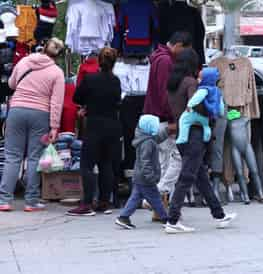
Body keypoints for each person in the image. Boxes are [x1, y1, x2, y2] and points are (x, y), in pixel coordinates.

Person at [165, 48, 237, 234]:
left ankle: (219, 215)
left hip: (183, 133)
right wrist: (213, 110)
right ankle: (172, 220)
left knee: (201, 177)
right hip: (194, 135)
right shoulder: (190, 83)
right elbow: (197, 106)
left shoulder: (173, 83)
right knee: (187, 176)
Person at [0, 38, 65, 212]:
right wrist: (54, 126)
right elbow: (56, 102)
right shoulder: (57, 72)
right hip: (40, 115)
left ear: (43, 48)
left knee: (12, 156)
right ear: (58, 55)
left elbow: (12, 84)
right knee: (34, 158)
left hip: (17, 110)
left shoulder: (25, 61)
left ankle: (4, 200)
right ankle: (31, 201)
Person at [67, 47, 122, 216]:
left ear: (99, 61)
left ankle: (87, 203)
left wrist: (87, 105)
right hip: (112, 125)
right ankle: (104, 201)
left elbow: (77, 97)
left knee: (87, 164)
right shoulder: (116, 81)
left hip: (94, 125)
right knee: (106, 163)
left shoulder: (90, 79)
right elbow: (117, 101)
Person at [143, 32, 193, 202]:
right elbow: (166, 95)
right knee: (170, 162)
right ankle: (158, 200)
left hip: (156, 116)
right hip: (163, 118)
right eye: (184, 50)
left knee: (164, 162)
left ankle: (160, 208)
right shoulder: (165, 61)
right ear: (178, 45)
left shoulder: (159, 57)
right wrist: (173, 120)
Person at [115, 115, 169, 229]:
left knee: (135, 198)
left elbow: (158, 138)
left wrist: (167, 131)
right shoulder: (148, 142)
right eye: (156, 125)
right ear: (151, 127)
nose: (158, 127)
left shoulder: (145, 138)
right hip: (146, 178)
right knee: (155, 199)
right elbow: (145, 161)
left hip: (139, 176)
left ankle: (123, 217)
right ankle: (166, 219)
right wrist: (150, 177)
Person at [175, 67, 224, 145]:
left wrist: (189, 105)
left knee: (184, 120)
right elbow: (220, 103)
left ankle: (182, 138)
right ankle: (206, 137)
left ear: (206, 79)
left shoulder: (204, 89)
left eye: (200, 78)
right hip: (207, 116)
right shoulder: (217, 90)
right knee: (206, 125)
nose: (198, 79)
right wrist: (221, 113)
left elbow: (197, 98)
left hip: (196, 114)